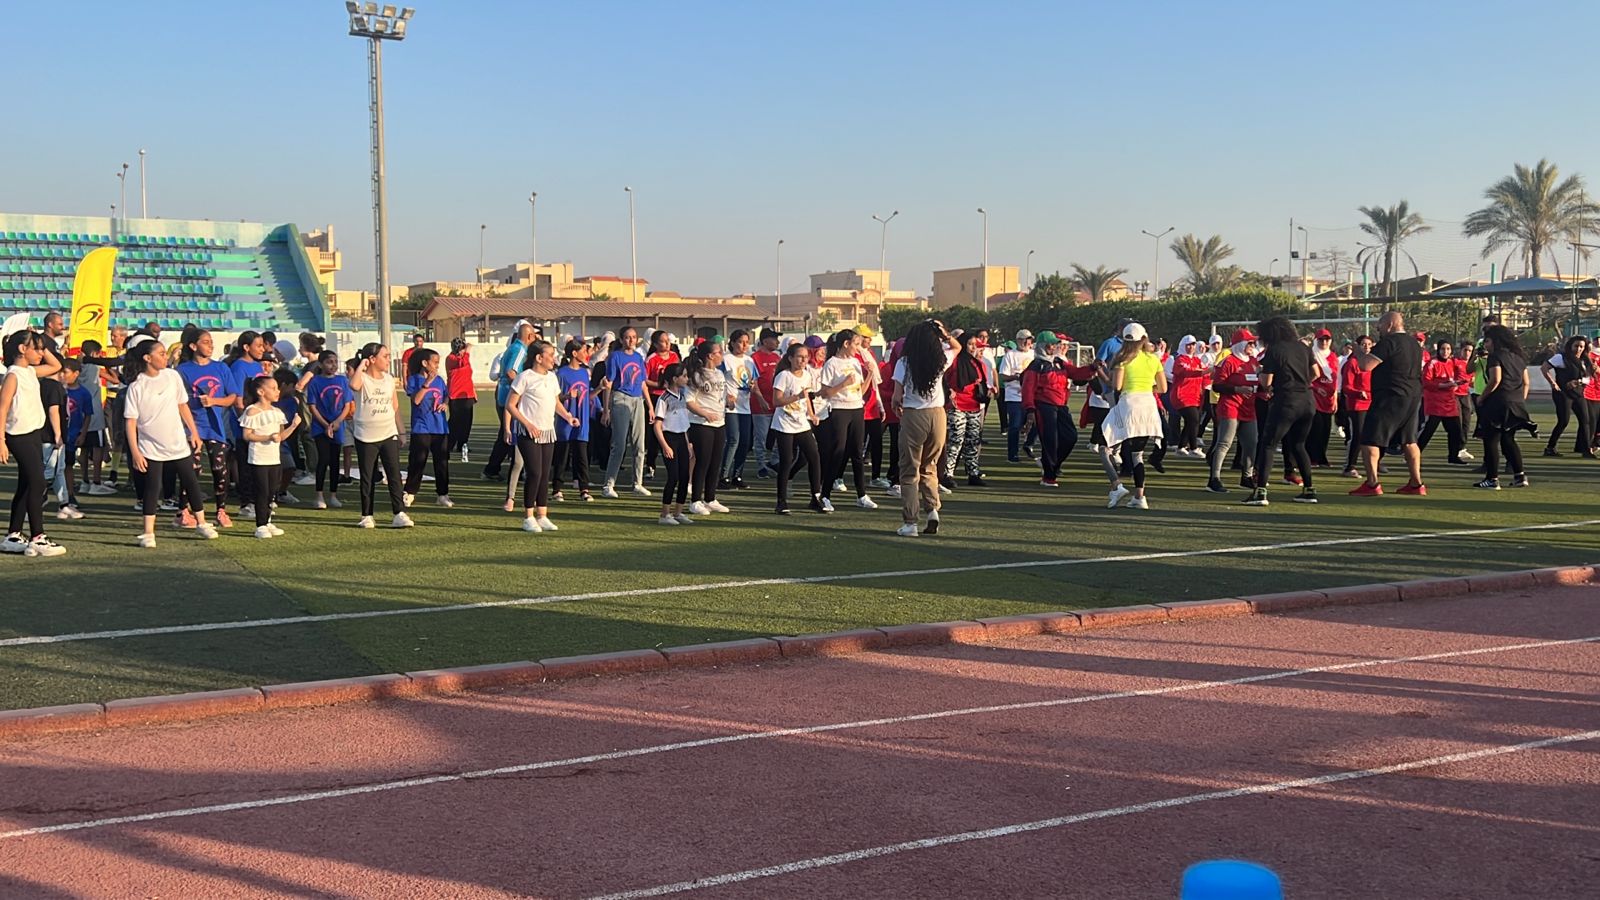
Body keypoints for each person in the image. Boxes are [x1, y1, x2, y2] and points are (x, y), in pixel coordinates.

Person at [120, 338, 218, 547]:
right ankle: (148, 532)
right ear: (148, 358)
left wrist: (194, 432)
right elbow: (131, 422)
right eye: (161, 354)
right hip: (150, 447)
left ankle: (201, 522)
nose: (166, 357)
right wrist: (135, 452)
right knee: (152, 487)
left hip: (177, 443)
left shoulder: (172, 376)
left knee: (190, 481)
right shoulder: (137, 386)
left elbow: (183, 406)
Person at [0, 331, 68, 556]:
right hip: (18, 435)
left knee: (27, 484)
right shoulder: (13, 375)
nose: (40, 353)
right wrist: (1, 441)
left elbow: (56, 365)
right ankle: (38, 536)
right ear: (22, 349)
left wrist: (40, 342)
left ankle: (13, 534)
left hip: (33, 433)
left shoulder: (30, 371)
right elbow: (2, 408)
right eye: (36, 348)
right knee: (38, 482)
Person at [1243, 316, 1318, 506]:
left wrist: (1262, 376)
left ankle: (1260, 492)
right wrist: (1302, 383)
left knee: (1268, 444)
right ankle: (1309, 490)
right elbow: (1316, 373)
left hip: (1286, 400)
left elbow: (1266, 381)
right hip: (1308, 400)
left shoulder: (1275, 350)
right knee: (1299, 445)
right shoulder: (1303, 347)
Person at [892, 320, 957, 536]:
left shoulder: (904, 362)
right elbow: (957, 347)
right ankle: (933, 511)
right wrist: (945, 333)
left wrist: (896, 407)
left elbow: (897, 396)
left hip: (914, 414)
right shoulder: (941, 359)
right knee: (930, 466)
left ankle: (911, 522)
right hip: (938, 415)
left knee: (909, 470)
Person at [1351, 311, 1426, 497]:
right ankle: (1416, 483)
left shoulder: (1389, 342)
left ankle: (1372, 484)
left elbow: (1365, 365)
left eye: (1380, 325)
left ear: (1390, 325)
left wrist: (1358, 351)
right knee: (1409, 440)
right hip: (1412, 395)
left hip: (1390, 396)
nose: (1378, 329)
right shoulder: (1415, 344)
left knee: (1369, 440)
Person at [508, 340, 579, 532]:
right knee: (534, 473)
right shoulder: (525, 377)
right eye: (550, 355)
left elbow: (555, 402)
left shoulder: (552, 378)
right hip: (528, 432)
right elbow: (510, 405)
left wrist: (568, 416)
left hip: (547, 432)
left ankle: (542, 515)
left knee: (545, 474)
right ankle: (528, 516)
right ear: (539, 358)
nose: (554, 359)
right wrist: (528, 424)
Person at [175, 326, 240, 529]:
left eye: (211, 342)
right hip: (191, 426)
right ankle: (183, 510)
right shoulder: (182, 370)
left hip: (215, 426)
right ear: (193, 346)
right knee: (191, 470)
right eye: (205, 342)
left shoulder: (221, 368)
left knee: (219, 469)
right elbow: (177, 400)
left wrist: (214, 401)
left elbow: (232, 397)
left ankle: (221, 510)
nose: (210, 346)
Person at [1097, 322, 1165, 509]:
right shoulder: (1153, 359)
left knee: (1103, 447)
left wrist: (1103, 375)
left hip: (1128, 405)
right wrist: (1146, 388)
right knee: (1137, 455)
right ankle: (1140, 497)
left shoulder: (1122, 359)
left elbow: (1117, 386)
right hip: (1148, 407)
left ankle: (1116, 485)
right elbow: (1162, 388)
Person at [347, 343, 412, 529]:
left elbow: (395, 406)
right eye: (385, 356)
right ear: (372, 359)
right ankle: (367, 515)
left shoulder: (389, 380)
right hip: (365, 436)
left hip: (388, 433)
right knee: (367, 477)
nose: (388, 360)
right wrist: (362, 364)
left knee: (394, 474)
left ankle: (399, 513)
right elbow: (353, 385)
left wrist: (401, 431)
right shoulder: (362, 378)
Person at [1021, 332, 1095, 487]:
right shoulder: (1036, 365)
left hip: (1060, 405)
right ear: (1042, 346)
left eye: (1055, 344)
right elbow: (1028, 389)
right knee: (1050, 441)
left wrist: (1092, 368)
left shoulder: (1059, 362)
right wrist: (1030, 410)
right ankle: (1049, 477)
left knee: (1070, 437)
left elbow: (1076, 373)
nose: (1054, 346)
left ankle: (1051, 465)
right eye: (1051, 344)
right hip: (1043, 406)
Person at [819, 329, 878, 507]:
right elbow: (825, 393)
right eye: (856, 344)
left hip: (856, 408)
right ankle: (825, 495)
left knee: (858, 453)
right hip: (839, 410)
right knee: (838, 451)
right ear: (846, 344)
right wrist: (843, 384)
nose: (858, 348)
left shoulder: (855, 362)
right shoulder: (831, 364)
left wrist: (870, 374)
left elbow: (861, 390)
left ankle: (862, 495)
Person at [238, 374, 296, 539]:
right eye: (273, 388)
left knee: (272, 491)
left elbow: (280, 436)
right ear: (261, 392)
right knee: (262, 491)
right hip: (259, 459)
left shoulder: (277, 412)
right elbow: (247, 435)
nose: (277, 391)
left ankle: (268, 520)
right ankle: (261, 524)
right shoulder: (252, 411)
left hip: (274, 458)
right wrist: (267, 437)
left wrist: (293, 425)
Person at [1474, 325, 1532, 489]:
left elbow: (1496, 380)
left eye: (1487, 341)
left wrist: (1482, 397)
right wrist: (1519, 400)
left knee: (1491, 440)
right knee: (1509, 439)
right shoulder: (1518, 357)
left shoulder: (1495, 356)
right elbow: (1526, 383)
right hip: (1515, 403)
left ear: (1495, 341)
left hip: (1498, 402)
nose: (1485, 345)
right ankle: (1520, 476)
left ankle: (1492, 479)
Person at [770, 343, 825, 515]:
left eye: (806, 357)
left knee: (814, 457)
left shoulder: (807, 375)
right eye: (800, 357)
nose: (803, 360)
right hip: (784, 423)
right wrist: (796, 397)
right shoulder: (784, 376)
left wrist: (811, 414)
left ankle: (815, 497)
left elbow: (806, 398)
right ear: (790, 358)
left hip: (801, 422)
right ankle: (781, 501)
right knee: (787, 460)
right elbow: (776, 401)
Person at [601, 326, 653, 498]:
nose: (631, 340)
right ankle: (609, 484)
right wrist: (606, 410)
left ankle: (637, 483)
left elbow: (643, 383)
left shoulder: (638, 357)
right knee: (619, 444)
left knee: (639, 445)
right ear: (622, 339)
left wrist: (650, 406)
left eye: (634, 337)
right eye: (628, 337)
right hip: (621, 397)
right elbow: (608, 383)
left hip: (638, 399)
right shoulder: (615, 356)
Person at [683, 337, 733, 515]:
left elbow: (720, 397)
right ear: (710, 356)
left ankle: (710, 498)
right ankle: (695, 500)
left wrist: (729, 402)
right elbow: (689, 401)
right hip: (701, 424)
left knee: (715, 462)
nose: (722, 355)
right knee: (702, 462)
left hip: (719, 423)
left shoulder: (720, 374)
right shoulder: (697, 375)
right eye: (719, 352)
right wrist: (705, 414)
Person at [299, 350, 354, 509]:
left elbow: (347, 405)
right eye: (329, 362)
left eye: (335, 362)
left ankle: (333, 495)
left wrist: (337, 422)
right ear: (321, 364)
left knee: (335, 460)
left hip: (338, 425)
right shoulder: (315, 381)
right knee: (323, 459)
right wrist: (325, 424)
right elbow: (312, 406)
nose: (333, 365)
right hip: (320, 426)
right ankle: (319, 495)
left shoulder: (342, 380)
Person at [1206, 329, 1259, 494]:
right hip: (1231, 406)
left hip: (1249, 408)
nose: (1252, 345)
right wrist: (1237, 389)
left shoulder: (1253, 361)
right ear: (1240, 344)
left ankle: (1247, 476)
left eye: (1253, 343)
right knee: (1224, 443)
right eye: (1249, 343)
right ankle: (1214, 479)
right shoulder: (1228, 361)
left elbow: (1258, 382)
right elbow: (1217, 386)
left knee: (1251, 443)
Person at [483, 324, 534, 481]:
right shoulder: (520, 350)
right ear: (529, 336)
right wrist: (522, 390)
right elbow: (511, 372)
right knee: (510, 434)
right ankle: (501, 469)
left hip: (503, 394)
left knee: (506, 434)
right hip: (510, 397)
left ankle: (495, 469)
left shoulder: (512, 348)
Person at [403, 347, 452, 509]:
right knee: (418, 461)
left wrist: (445, 403)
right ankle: (410, 492)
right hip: (421, 427)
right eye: (435, 362)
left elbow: (446, 395)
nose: (437, 366)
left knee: (442, 462)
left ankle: (442, 494)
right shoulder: (414, 380)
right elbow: (416, 400)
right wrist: (427, 383)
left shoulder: (440, 380)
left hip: (440, 427)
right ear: (425, 363)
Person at [552, 339, 600, 503]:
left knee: (582, 456)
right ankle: (557, 489)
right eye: (584, 351)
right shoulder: (562, 374)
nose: (586, 354)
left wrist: (600, 388)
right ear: (574, 353)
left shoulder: (585, 373)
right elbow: (554, 397)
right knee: (562, 456)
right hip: (565, 420)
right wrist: (567, 396)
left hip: (582, 419)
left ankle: (584, 488)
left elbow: (588, 396)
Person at [941, 331, 989, 489]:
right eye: (970, 344)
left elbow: (981, 382)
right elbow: (942, 378)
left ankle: (973, 473)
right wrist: (948, 392)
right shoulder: (954, 361)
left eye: (975, 345)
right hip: (957, 405)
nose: (973, 348)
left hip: (974, 405)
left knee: (973, 441)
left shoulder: (977, 363)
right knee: (956, 440)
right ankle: (947, 474)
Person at [1542, 335, 1596, 458]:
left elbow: (1589, 378)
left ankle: (1586, 449)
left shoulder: (1585, 360)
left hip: (1578, 393)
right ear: (1570, 346)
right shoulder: (1561, 357)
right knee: (1563, 421)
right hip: (1563, 393)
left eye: (1581, 346)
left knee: (1585, 420)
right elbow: (1544, 368)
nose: (1579, 349)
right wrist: (1553, 383)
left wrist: (1578, 381)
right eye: (1576, 346)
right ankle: (1550, 447)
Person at [652, 363, 694, 524]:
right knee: (673, 477)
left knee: (684, 476)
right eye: (684, 376)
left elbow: (684, 424)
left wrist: (688, 444)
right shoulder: (664, 399)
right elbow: (657, 425)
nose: (686, 379)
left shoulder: (682, 397)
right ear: (675, 379)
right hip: (669, 439)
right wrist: (665, 446)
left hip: (681, 438)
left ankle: (678, 512)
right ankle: (664, 514)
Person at [720, 329, 759, 490]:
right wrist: (726, 397)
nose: (744, 345)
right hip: (731, 406)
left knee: (745, 441)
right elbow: (718, 379)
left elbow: (754, 381)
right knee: (733, 439)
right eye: (741, 342)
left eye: (747, 342)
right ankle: (723, 476)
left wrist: (755, 391)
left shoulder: (749, 360)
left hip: (745, 405)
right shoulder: (726, 359)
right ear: (733, 342)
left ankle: (737, 475)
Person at [1418, 340, 1468, 465]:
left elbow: (1463, 373)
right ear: (1438, 350)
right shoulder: (1432, 363)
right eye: (1443, 349)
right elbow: (1426, 383)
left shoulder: (1453, 362)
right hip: (1435, 403)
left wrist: (1458, 383)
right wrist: (1444, 385)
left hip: (1449, 402)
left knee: (1455, 430)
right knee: (1428, 431)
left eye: (1448, 349)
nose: (1445, 352)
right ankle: (1414, 454)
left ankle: (1453, 456)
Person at [642, 330, 680, 479]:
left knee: (672, 430)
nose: (667, 344)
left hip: (671, 397)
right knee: (654, 433)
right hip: (656, 397)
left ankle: (673, 463)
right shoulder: (651, 359)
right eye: (663, 341)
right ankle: (650, 464)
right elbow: (644, 380)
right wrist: (658, 384)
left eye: (668, 340)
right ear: (656, 344)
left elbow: (679, 373)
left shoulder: (674, 356)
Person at [1339, 335, 1374, 477]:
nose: (1366, 347)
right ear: (1357, 346)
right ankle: (1349, 466)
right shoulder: (1352, 363)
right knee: (1358, 435)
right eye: (1363, 344)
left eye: (1369, 344)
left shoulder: (1373, 362)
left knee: (1372, 435)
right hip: (1357, 404)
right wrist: (1358, 393)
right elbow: (1346, 387)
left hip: (1372, 403)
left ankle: (1374, 463)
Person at [1000, 330, 1037, 462]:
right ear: (1018, 340)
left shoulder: (1034, 354)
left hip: (1032, 396)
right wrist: (1017, 377)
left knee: (1038, 422)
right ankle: (1013, 454)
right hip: (1015, 396)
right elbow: (1003, 376)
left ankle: (1029, 444)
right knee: (1015, 426)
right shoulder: (1010, 355)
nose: (1027, 342)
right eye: (1024, 340)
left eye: (1029, 340)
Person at [750, 328, 782, 478]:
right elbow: (753, 381)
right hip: (760, 405)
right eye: (774, 339)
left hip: (776, 403)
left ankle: (774, 461)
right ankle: (761, 465)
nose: (777, 342)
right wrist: (761, 398)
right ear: (764, 341)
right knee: (761, 437)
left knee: (779, 435)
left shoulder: (777, 357)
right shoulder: (754, 358)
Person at [1307, 328, 1340, 468]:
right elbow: (1306, 377)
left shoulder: (1333, 356)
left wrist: (1335, 397)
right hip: (1315, 397)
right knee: (1316, 427)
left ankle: (1321, 457)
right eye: (1321, 339)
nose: (1324, 342)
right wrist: (1315, 388)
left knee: (1326, 428)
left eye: (1327, 339)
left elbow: (1335, 378)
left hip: (1329, 398)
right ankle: (1312, 457)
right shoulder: (1311, 355)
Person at [445, 337, 475, 463]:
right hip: (456, 395)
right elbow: (461, 363)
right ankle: (447, 445)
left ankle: (462, 444)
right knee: (455, 422)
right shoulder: (451, 358)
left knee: (467, 422)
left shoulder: (463, 359)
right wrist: (467, 352)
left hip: (467, 394)